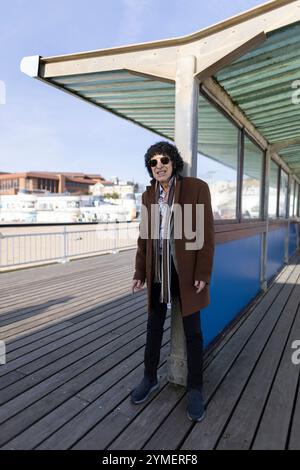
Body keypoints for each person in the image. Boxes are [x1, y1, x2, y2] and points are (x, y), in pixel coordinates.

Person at [131, 141, 215, 422]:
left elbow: (205, 233)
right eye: (153, 162)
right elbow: (144, 239)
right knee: (153, 326)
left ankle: (195, 388)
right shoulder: (148, 197)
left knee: (193, 332)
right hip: (158, 270)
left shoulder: (196, 188)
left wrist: (203, 273)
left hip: (187, 272)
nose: (159, 166)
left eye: (163, 159)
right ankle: (149, 376)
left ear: (173, 161)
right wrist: (139, 272)